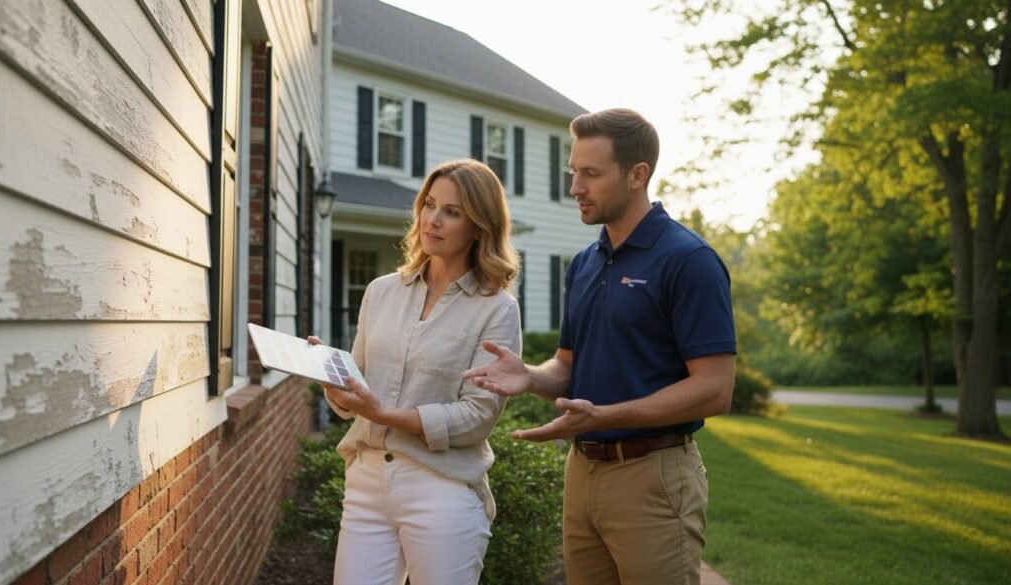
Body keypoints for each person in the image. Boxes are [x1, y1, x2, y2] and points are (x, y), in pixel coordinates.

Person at [464, 108, 736, 585]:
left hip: (653, 476)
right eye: (573, 172)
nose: (575, 187)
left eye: (591, 173)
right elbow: (567, 367)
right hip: (582, 472)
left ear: (638, 175)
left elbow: (715, 390)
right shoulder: (586, 262)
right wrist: (530, 377)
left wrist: (606, 417)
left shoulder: (689, 260)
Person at [308, 159, 521, 585]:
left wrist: (384, 413)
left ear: (479, 226)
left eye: (452, 212)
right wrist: (334, 381)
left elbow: (478, 415)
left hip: (440, 486)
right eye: (429, 204)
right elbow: (359, 392)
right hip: (366, 479)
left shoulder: (497, 309)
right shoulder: (381, 291)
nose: (433, 220)